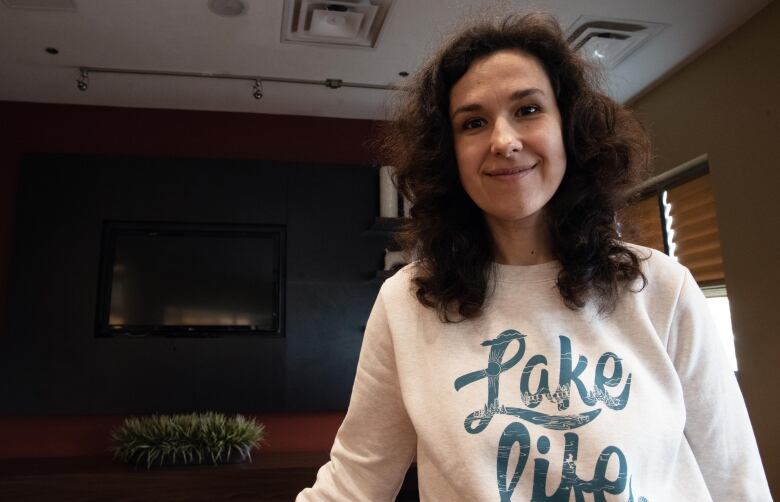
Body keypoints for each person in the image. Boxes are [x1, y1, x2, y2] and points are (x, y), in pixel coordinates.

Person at [297, 12, 772, 502]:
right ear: (448, 153)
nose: (504, 141)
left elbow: (735, 478)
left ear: (569, 128)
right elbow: (352, 484)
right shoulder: (406, 303)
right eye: (474, 122)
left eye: (527, 110)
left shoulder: (661, 287)